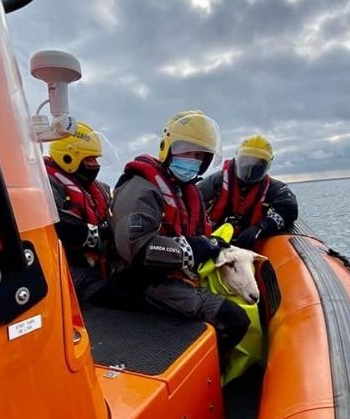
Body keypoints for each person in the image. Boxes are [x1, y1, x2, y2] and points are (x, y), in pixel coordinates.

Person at [103, 110, 249, 355]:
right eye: (187, 151)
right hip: (142, 282)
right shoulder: (140, 189)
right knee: (233, 319)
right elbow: (136, 248)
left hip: (173, 276)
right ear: (168, 148)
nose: (193, 159)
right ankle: (214, 379)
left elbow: (200, 230)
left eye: (200, 155)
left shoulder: (183, 190)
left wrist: (211, 243)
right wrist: (193, 248)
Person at [44, 122, 113, 304]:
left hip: (97, 264)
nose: (95, 165)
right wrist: (91, 233)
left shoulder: (99, 189)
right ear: (68, 157)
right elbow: (53, 223)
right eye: (89, 160)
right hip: (66, 268)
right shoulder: (46, 185)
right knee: (113, 298)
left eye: (96, 160)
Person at [198, 134, 298, 249]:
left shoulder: (275, 188)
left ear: (267, 165)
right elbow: (191, 202)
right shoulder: (216, 181)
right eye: (246, 161)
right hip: (213, 241)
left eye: (257, 163)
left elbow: (290, 209)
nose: (250, 167)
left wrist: (261, 227)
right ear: (237, 158)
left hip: (248, 245)